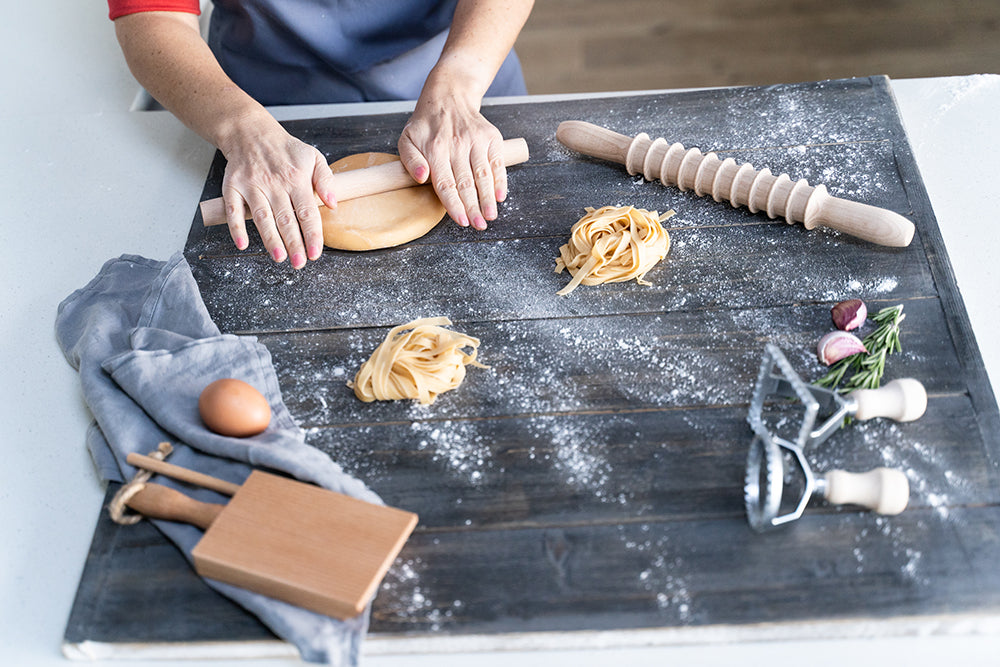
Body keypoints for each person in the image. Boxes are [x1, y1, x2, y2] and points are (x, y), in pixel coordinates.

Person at [109, 0, 535, 269]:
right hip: (258, 108)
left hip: (462, 89)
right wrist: (242, 128)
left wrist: (458, 83)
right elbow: (152, 16)